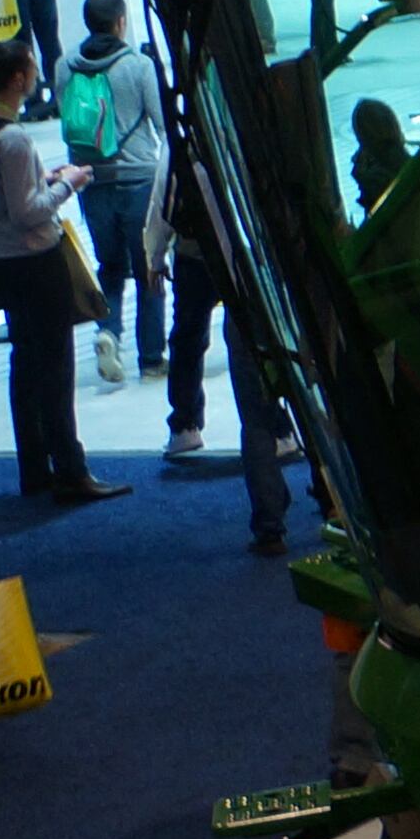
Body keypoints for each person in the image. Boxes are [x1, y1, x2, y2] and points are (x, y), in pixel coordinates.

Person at [0, 42, 117, 508]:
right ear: (18, 79)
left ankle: (35, 467)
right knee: (56, 368)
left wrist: (39, 179)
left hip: (0, 263)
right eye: (30, 68)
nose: (35, 74)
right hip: (35, 263)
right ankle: (71, 469)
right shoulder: (13, 139)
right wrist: (68, 184)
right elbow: (29, 213)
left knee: (24, 366)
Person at [162, 170, 296, 554]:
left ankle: (270, 525)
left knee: (253, 416)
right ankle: (332, 499)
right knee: (314, 403)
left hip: (242, 294)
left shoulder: (192, 161)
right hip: (284, 293)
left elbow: (164, 207)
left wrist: (155, 253)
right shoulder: (265, 156)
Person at [61, 0, 170, 391]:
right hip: (139, 180)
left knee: (110, 267)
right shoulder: (138, 66)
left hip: (90, 181)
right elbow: (162, 124)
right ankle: (152, 356)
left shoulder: (65, 66)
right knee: (149, 271)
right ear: (121, 21)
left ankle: (109, 331)